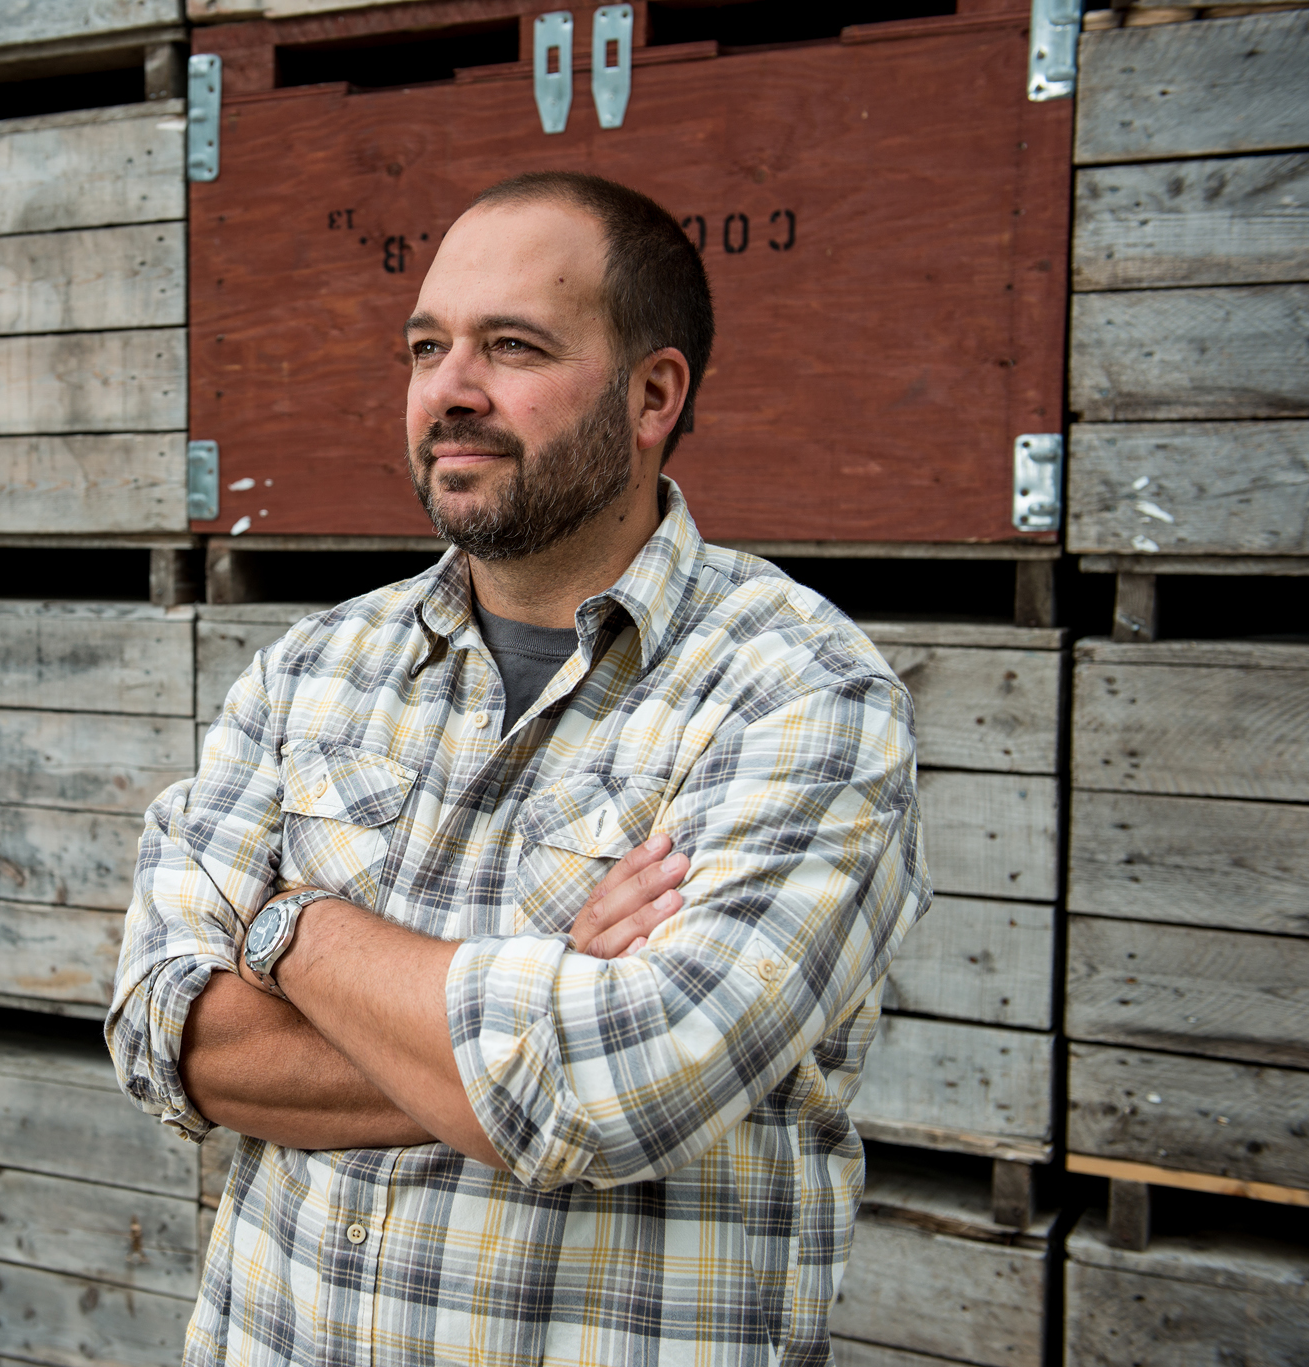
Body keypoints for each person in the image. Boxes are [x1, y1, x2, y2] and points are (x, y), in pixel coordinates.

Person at [106, 171, 930, 1366]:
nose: (450, 390)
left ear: (652, 394)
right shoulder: (313, 670)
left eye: (512, 346)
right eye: (426, 346)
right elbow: (162, 1030)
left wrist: (290, 930)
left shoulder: (796, 697)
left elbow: (620, 1085)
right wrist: (533, 1009)